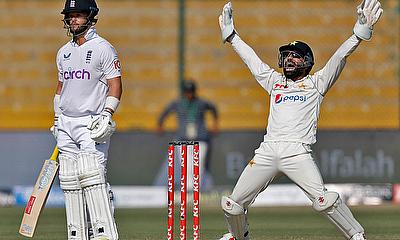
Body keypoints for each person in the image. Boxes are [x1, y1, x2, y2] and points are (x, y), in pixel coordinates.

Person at [217, 0, 382, 239]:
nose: (288, 60)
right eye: (286, 56)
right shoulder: (275, 83)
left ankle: (356, 235)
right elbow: (251, 61)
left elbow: (339, 57)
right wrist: (232, 36)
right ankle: (237, 236)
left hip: (297, 152)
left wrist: (358, 33)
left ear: (306, 61)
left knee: (324, 200)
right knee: (232, 205)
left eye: (295, 56)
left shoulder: (317, 83)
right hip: (268, 150)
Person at [51, 0, 122, 239]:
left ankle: (102, 232)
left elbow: (115, 85)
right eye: (70, 16)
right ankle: (77, 233)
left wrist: (107, 114)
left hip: (91, 122)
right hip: (67, 123)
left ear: (90, 17)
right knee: (69, 179)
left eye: (78, 15)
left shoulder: (103, 48)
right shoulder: (64, 52)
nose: (73, 20)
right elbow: (61, 88)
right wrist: (57, 118)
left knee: (92, 175)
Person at [153, 80, 219, 191]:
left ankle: (197, 189)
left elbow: (213, 108)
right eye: (188, 91)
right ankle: (188, 190)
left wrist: (215, 124)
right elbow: (166, 112)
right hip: (182, 138)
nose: (189, 94)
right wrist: (160, 124)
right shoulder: (178, 103)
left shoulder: (201, 102)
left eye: (191, 91)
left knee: (198, 164)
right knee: (186, 165)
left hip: (200, 138)